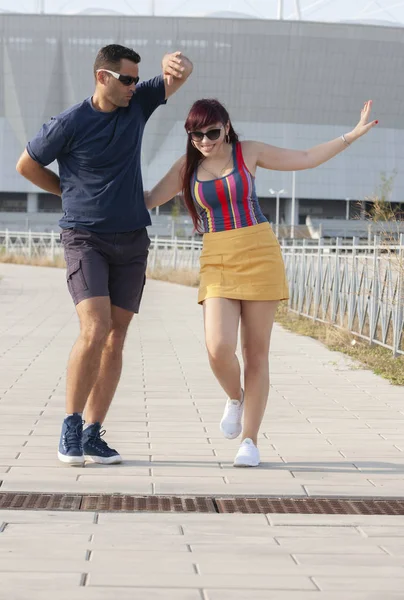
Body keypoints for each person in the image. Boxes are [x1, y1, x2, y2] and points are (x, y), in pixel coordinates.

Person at [145, 98, 377, 467]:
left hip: (259, 252)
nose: (205, 140)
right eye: (196, 134)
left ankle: (249, 441)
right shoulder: (186, 168)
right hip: (217, 257)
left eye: (212, 132)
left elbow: (305, 157)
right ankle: (236, 397)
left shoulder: (247, 153)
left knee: (256, 354)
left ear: (226, 127)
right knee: (218, 348)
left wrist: (352, 135)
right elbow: (146, 200)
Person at [16, 44, 193, 466]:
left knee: (116, 337)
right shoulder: (70, 122)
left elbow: (175, 79)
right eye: (127, 79)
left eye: (137, 78)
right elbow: (26, 164)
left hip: (132, 238)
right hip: (85, 237)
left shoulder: (137, 104)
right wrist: (69, 192)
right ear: (103, 77)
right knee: (94, 329)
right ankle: (71, 426)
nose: (135, 85)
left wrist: (180, 66)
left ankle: (94, 433)